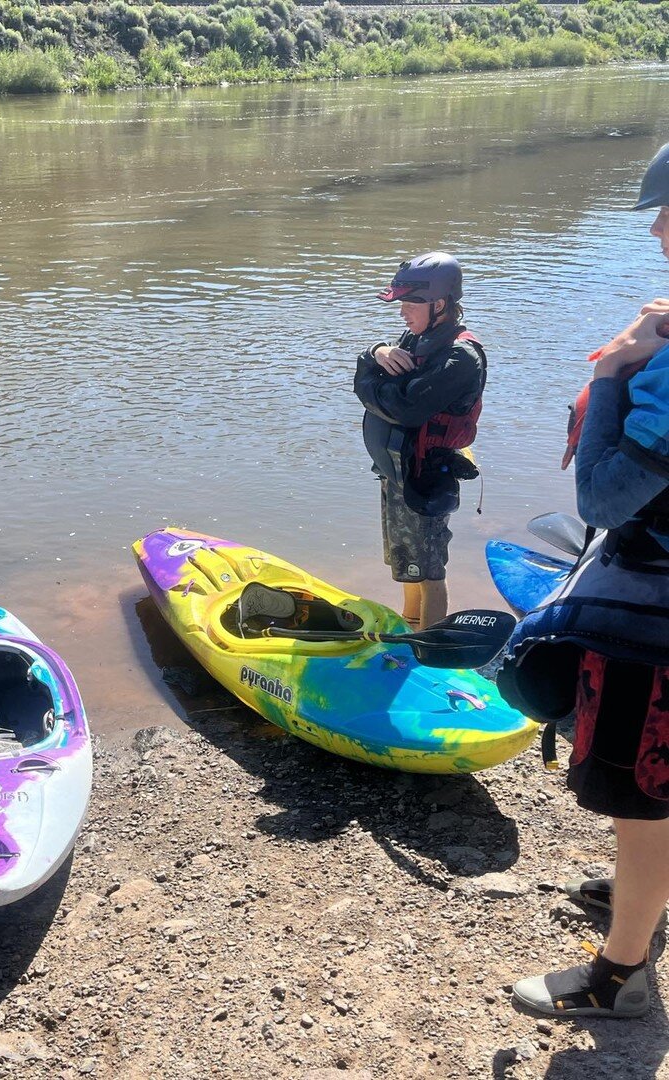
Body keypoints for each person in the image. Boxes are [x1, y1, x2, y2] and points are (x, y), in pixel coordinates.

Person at [500, 143, 669, 1018]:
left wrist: (612, 373)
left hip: (653, 616)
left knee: (637, 791)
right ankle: (645, 896)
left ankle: (621, 977)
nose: (656, 229)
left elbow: (604, 493)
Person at [353, 252, 486, 630]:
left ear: (439, 304)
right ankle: (410, 625)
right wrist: (375, 353)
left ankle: (428, 649)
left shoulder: (460, 357)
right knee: (406, 561)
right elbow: (381, 389)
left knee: (429, 571)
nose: (402, 312)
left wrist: (367, 373)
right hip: (397, 469)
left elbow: (403, 408)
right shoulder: (416, 339)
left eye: (410, 303)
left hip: (425, 477)